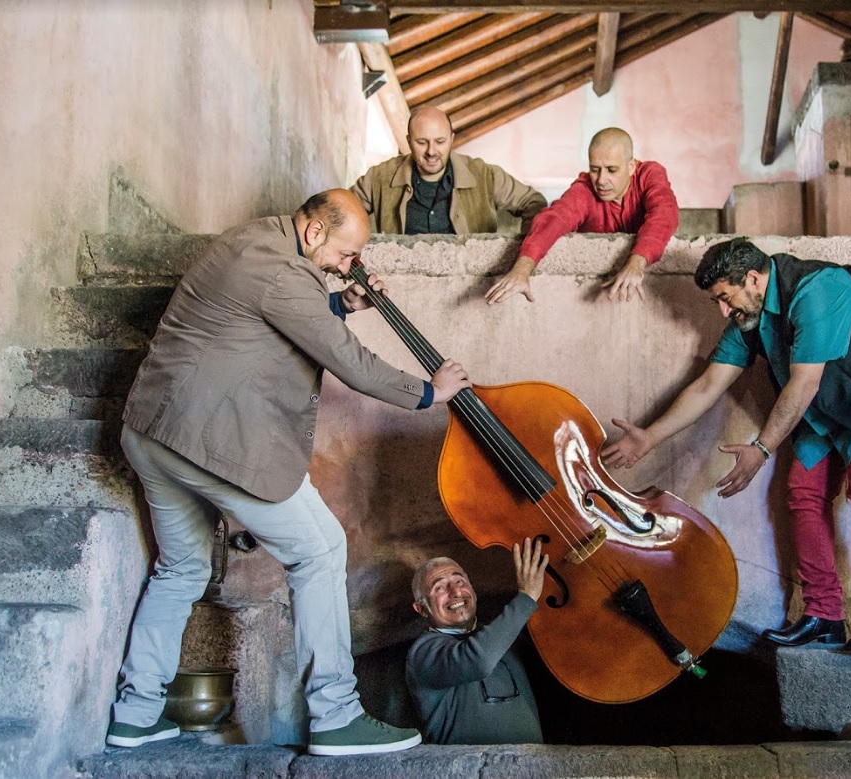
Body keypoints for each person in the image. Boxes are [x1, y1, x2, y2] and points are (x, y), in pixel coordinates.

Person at [105, 189, 472, 755]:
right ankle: (336, 715)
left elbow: (272, 315)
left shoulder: (256, 242)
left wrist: (342, 302)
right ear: (316, 232)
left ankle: (135, 713)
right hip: (208, 441)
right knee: (321, 549)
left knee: (180, 569)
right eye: (348, 253)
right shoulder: (287, 270)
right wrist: (429, 391)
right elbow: (348, 361)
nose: (351, 265)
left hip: (153, 433)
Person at [602, 238, 851, 657]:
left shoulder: (817, 288)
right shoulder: (751, 318)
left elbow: (804, 382)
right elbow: (709, 384)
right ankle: (825, 616)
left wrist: (761, 449)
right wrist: (649, 436)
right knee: (803, 492)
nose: (723, 311)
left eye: (725, 298)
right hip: (827, 404)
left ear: (753, 279)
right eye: (717, 302)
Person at [485, 127, 679, 305]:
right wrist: (522, 269)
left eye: (612, 170)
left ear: (631, 166)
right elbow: (555, 219)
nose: (601, 180)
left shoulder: (650, 174)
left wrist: (637, 262)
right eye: (595, 169)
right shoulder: (585, 188)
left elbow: (664, 214)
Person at [406, 538, 548, 745]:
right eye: (439, 588)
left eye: (460, 581)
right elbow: (477, 660)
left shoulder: (503, 634)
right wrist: (526, 598)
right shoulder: (423, 653)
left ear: (472, 590)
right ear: (422, 609)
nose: (455, 592)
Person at [351, 105, 547, 236]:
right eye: (421, 142)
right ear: (409, 140)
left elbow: (533, 201)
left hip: (469, 287)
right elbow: (341, 212)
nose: (431, 151)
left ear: (452, 139)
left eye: (440, 142)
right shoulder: (379, 177)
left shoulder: (486, 175)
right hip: (401, 286)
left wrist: (522, 249)